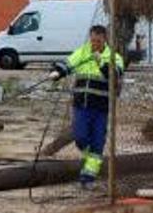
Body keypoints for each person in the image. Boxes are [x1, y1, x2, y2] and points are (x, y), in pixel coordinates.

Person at [49, 25, 124, 189]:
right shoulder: (82, 52)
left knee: (98, 142)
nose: (94, 43)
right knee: (81, 136)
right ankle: (90, 158)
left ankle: (87, 178)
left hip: (101, 107)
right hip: (82, 105)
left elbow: (114, 76)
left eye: (98, 40)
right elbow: (68, 64)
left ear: (105, 39)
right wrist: (57, 72)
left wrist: (101, 62)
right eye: (92, 40)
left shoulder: (114, 57)